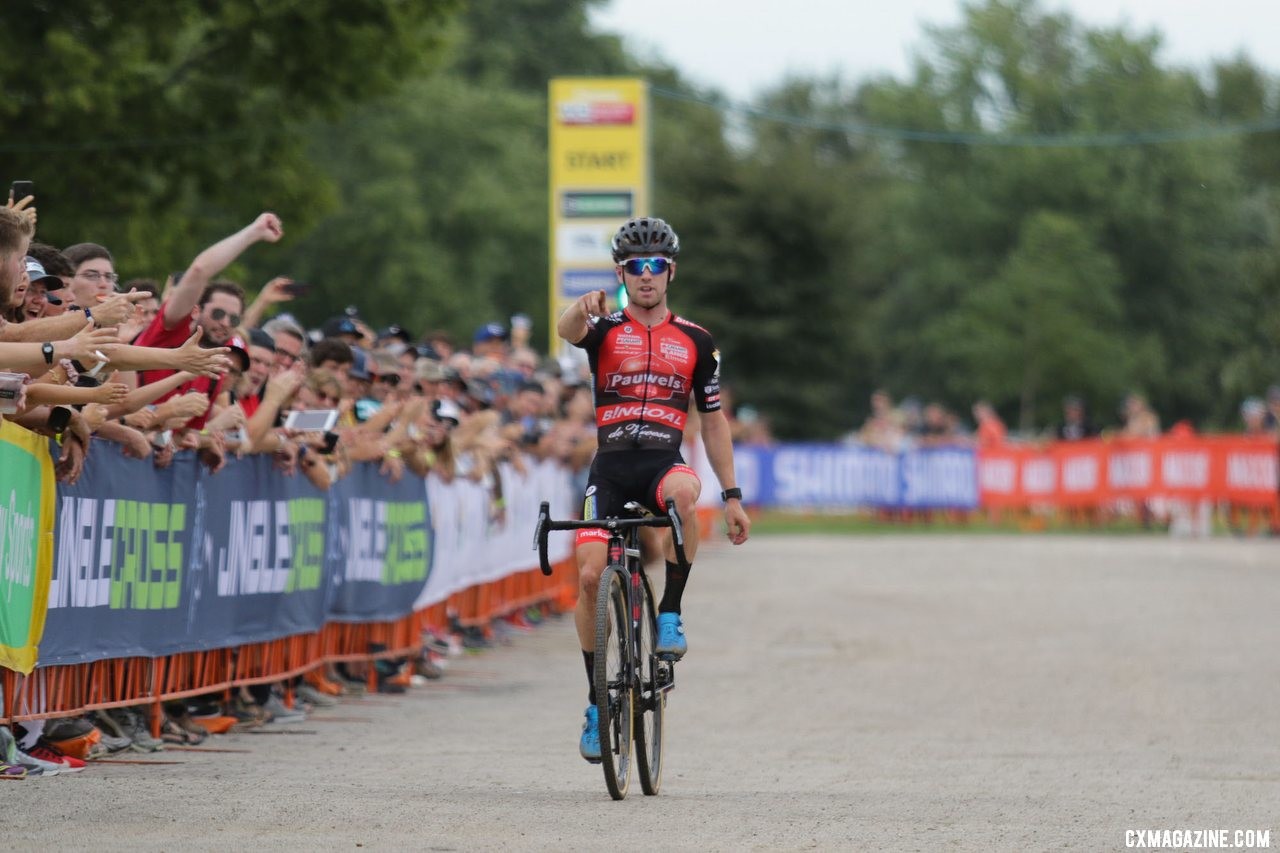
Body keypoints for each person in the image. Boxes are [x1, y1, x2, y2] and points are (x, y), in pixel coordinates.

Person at [555, 216, 750, 762]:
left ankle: (670, 612)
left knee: (686, 493)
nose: (646, 276)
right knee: (591, 576)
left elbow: (713, 423)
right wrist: (582, 306)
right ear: (622, 273)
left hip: (663, 460)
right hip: (610, 468)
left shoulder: (696, 340)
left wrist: (732, 496)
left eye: (656, 266)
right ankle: (596, 703)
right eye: (636, 267)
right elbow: (566, 331)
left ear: (670, 272)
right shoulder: (605, 328)